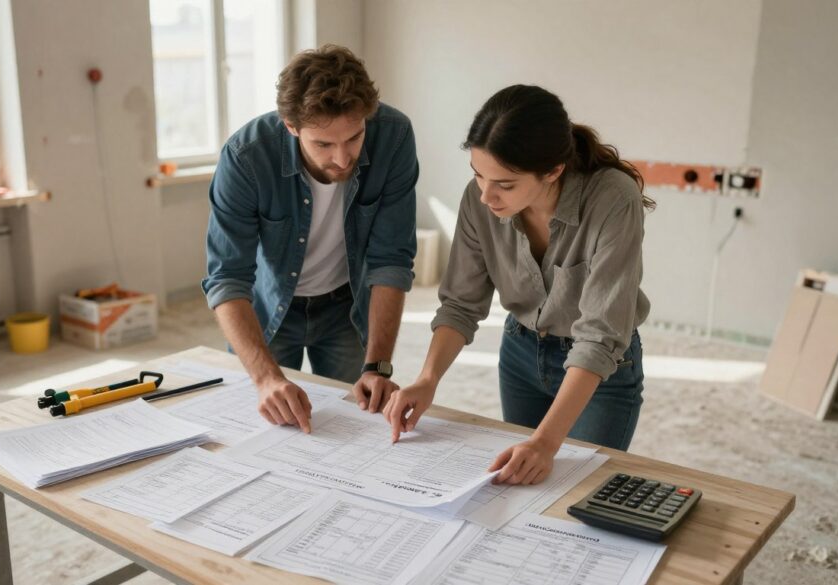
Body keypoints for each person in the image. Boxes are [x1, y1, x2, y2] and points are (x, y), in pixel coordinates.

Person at [384, 84, 654, 486]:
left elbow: (600, 337)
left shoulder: (614, 199)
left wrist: (545, 442)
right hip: (521, 353)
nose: (486, 196)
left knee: (581, 493)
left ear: (553, 170)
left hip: (602, 371)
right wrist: (428, 378)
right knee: (519, 487)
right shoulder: (479, 200)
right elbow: (460, 304)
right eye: (478, 175)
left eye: (505, 184)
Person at [203, 45, 418, 434]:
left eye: (354, 137)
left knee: (357, 426)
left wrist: (378, 366)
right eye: (323, 144)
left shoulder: (395, 136)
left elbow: (392, 260)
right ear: (290, 125)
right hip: (269, 312)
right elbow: (226, 277)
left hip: (346, 309)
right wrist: (266, 378)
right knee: (262, 430)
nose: (341, 158)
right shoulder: (246, 156)